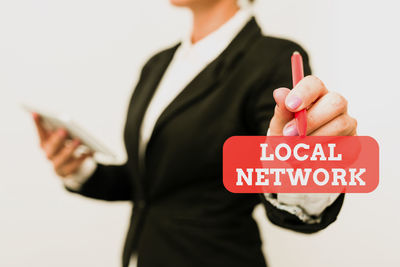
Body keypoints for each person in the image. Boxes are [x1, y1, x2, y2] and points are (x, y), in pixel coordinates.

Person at [32, 0, 357, 267]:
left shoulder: (270, 58)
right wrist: (81, 170)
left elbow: (285, 177)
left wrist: (306, 171)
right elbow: (153, 185)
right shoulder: (158, 65)